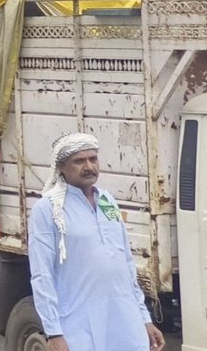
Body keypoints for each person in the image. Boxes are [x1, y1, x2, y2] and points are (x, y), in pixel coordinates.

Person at [29, 133, 165, 351]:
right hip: (77, 325)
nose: (89, 166)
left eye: (93, 159)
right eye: (79, 161)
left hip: (125, 322)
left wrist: (144, 319)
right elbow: (42, 275)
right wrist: (54, 332)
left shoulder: (106, 200)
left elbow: (126, 265)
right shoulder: (47, 208)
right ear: (61, 167)